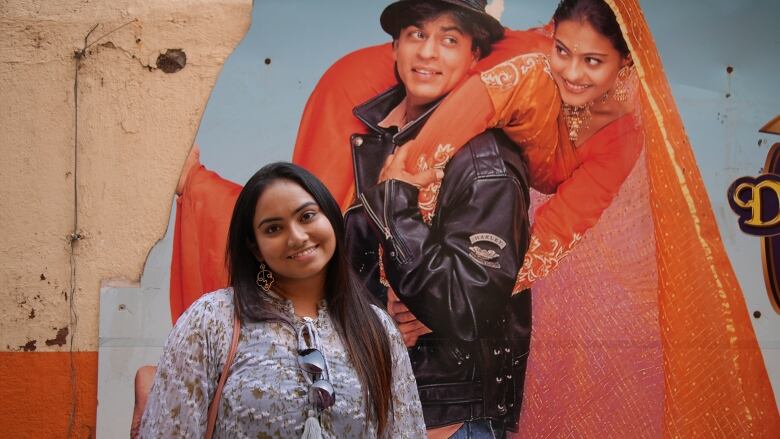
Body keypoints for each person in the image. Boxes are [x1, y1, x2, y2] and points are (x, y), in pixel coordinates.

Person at [294, 0, 780, 437]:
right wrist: (395, 261)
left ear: (625, 63)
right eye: (563, 50)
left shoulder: (621, 136)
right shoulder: (525, 65)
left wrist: (436, 302)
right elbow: (429, 149)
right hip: (394, 107)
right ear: (550, 35)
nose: (571, 72)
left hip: (448, 373)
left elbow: (549, 239)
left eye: (593, 61)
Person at [342, 1, 573, 437]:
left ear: (474, 58)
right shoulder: (373, 139)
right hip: (380, 407)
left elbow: (467, 305)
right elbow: (356, 265)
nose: (428, 52)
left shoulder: (486, 163)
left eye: (449, 39)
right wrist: (380, 312)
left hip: (448, 421)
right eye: (416, 34)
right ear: (395, 47)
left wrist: (397, 202)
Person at [140, 162, 425, 438]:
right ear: (255, 247)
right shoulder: (213, 319)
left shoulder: (377, 329)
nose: (297, 237)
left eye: (307, 216)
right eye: (273, 229)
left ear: (331, 218)